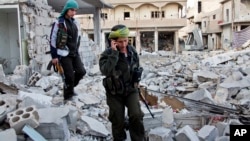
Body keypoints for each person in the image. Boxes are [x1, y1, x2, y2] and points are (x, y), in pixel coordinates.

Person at [99, 24, 145, 141]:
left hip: (131, 90)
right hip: (114, 93)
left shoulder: (132, 51)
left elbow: (137, 67)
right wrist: (114, 54)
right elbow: (105, 71)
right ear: (113, 42)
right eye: (120, 42)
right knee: (117, 120)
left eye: (125, 41)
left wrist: (137, 80)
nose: (124, 45)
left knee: (136, 115)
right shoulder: (107, 54)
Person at [49, 0, 86, 100]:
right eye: (72, 10)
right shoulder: (59, 23)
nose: (74, 13)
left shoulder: (74, 22)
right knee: (69, 75)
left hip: (74, 52)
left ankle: (70, 87)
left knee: (81, 71)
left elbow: (77, 38)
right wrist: (54, 56)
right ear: (66, 10)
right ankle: (68, 96)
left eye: (75, 11)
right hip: (64, 53)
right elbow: (52, 39)